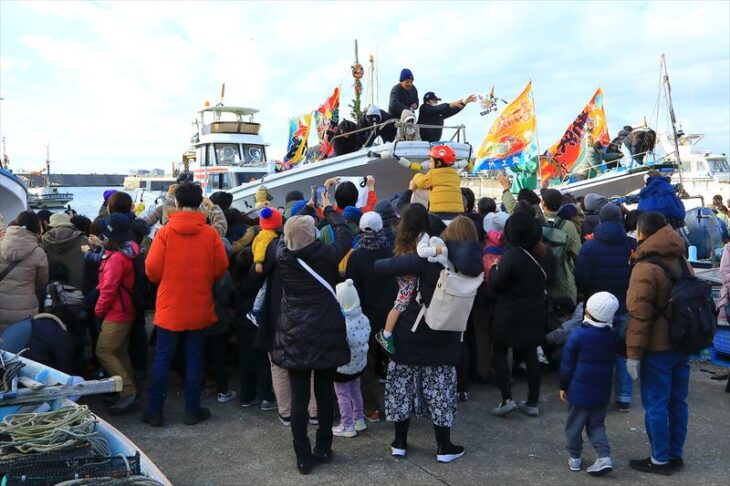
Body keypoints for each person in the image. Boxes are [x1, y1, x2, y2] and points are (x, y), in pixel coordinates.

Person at [374, 214, 483, 463]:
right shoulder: (474, 268)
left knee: (402, 387)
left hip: (411, 331)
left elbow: (382, 267)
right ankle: (444, 447)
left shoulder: (431, 259)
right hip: (448, 336)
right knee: (440, 391)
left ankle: (399, 442)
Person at [271, 190, 354, 475]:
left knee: (298, 398)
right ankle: (324, 447)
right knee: (324, 391)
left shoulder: (282, 253)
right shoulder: (327, 256)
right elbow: (344, 233)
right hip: (325, 329)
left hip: (295, 332)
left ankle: (302, 455)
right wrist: (328, 208)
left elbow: (288, 228)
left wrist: (304, 207)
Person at [143, 182, 229, 427]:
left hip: (170, 304)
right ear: (201, 202)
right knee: (195, 358)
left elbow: (151, 269)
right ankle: (192, 409)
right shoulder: (210, 233)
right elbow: (220, 267)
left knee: (163, 358)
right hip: (199, 302)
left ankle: (155, 411)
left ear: (177, 203)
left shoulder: (166, 233)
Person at [625, 211, 691, 475]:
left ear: (641, 233)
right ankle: (675, 454)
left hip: (657, 348)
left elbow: (639, 315)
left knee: (656, 404)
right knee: (678, 403)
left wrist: (632, 354)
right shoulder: (681, 258)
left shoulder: (645, 266)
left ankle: (660, 459)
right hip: (682, 341)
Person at [574, 203, 637, 412]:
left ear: (600, 220)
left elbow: (581, 276)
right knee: (622, 353)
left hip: (596, 306)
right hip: (624, 305)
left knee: (593, 353)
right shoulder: (631, 244)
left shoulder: (590, 245)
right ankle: (624, 397)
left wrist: (588, 294)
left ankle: (593, 397)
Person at [490, 210, 549, 417]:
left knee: (499, 351)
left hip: (509, 313)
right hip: (534, 311)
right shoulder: (542, 254)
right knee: (531, 353)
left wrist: (493, 269)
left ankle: (506, 399)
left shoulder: (511, 256)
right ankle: (532, 402)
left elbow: (496, 285)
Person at [559, 292, 620, 476]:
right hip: (602, 391)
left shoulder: (578, 335)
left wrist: (563, 385)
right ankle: (604, 456)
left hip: (578, 392)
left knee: (574, 426)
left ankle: (575, 457)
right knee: (597, 425)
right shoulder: (613, 337)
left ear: (588, 312)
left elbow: (567, 364)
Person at [345, 211, 398, 423]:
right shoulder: (393, 252)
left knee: (366, 363)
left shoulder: (356, 257)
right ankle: (399, 405)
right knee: (396, 360)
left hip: (366, 317)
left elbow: (351, 289)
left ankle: (373, 408)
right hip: (393, 316)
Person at [375, 203, 447, 354]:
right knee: (401, 303)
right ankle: (386, 334)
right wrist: (437, 249)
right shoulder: (423, 235)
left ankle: (387, 333)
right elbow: (422, 253)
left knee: (401, 300)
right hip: (409, 275)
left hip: (402, 271)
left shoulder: (402, 234)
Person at [94, 213, 139, 415]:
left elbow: (109, 289)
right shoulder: (125, 254)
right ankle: (126, 388)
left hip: (116, 312)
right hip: (125, 309)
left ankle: (128, 392)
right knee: (119, 351)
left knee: (104, 351)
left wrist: (98, 311)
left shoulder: (115, 259)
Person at [331, 279, 370, 438]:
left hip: (342, 367)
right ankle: (359, 419)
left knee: (343, 395)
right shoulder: (363, 317)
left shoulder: (342, 322)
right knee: (355, 390)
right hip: (359, 364)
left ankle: (347, 426)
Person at [0, 211, 49, 329]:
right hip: (25, 309)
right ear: (36, 228)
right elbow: (41, 282)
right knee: (21, 343)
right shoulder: (38, 253)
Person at [541, 188, 581, 304]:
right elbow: (578, 252)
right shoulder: (568, 226)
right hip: (563, 282)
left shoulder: (535, 223)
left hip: (541, 283)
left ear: (543, 203)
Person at [410, 145, 465, 220]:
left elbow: (422, 183)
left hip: (439, 212)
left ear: (438, 163)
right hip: (457, 213)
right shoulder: (455, 175)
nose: (429, 163)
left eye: (431, 161)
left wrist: (417, 175)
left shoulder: (433, 174)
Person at [41, 212, 88, 291]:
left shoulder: (43, 241)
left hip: (52, 292)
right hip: (78, 291)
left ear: (51, 225)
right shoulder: (84, 240)